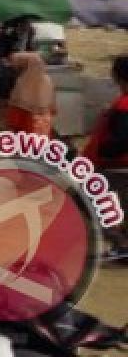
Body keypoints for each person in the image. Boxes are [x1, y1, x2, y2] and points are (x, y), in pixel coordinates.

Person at [82, 55, 128, 257]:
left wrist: (102, 150)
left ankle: (121, 245)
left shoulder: (123, 105)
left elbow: (122, 140)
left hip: (115, 166)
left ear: (118, 77)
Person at [5, 50, 56, 135]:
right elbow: (53, 106)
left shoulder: (23, 82)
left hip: (27, 123)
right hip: (44, 123)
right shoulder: (48, 80)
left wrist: (10, 125)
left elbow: (16, 110)